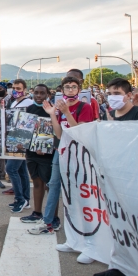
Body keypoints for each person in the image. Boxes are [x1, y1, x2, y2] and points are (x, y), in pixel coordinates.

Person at [35, 76, 95, 263]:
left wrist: (67, 112)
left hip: (79, 155)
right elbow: (59, 134)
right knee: (55, 186)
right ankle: (57, 228)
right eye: (66, 87)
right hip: (61, 152)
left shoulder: (85, 108)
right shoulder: (60, 108)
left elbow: (80, 132)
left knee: (78, 194)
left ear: (79, 89)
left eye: (73, 87)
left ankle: (87, 241)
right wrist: (53, 114)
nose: (69, 90)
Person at [20, 84, 57, 225]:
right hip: (31, 152)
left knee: (49, 185)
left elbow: (56, 131)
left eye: (42, 93)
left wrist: (44, 146)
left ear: (48, 94)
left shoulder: (52, 110)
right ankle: (37, 212)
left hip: (47, 154)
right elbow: (24, 129)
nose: (39, 96)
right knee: (36, 182)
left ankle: (52, 216)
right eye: (36, 93)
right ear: (32, 93)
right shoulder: (29, 109)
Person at [7, 79, 33, 213]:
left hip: (22, 140)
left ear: (24, 89)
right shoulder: (14, 102)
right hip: (14, 138)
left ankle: (20, 199)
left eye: (18, 88)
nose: (16, 91)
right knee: (22, 170)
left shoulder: (29, 103)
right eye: (14, 88)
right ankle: (25, 199)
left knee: (11, 169)